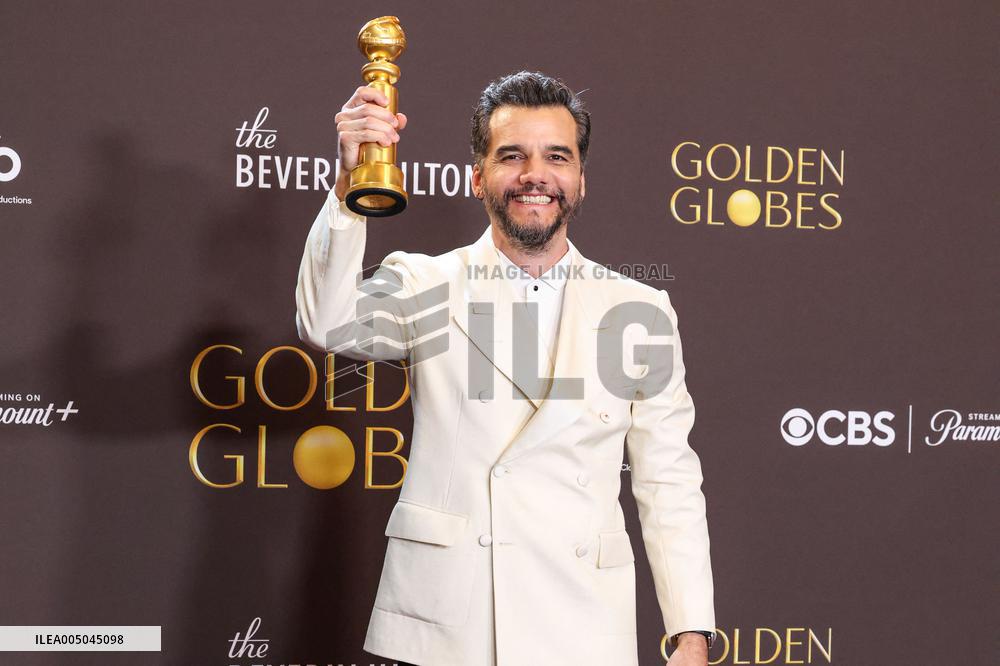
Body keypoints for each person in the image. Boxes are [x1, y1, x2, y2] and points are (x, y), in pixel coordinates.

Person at [295, 71, 715, 666]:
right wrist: (348, 184)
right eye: (511, 155)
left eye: (556, 157)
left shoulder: (638, 311)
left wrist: (690, 631)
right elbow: (327, 321)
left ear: (580, 180)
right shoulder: (428, 285)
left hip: (583, 624)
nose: (534, 175)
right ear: (477, 176)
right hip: (450, 625)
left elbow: (667, 479)